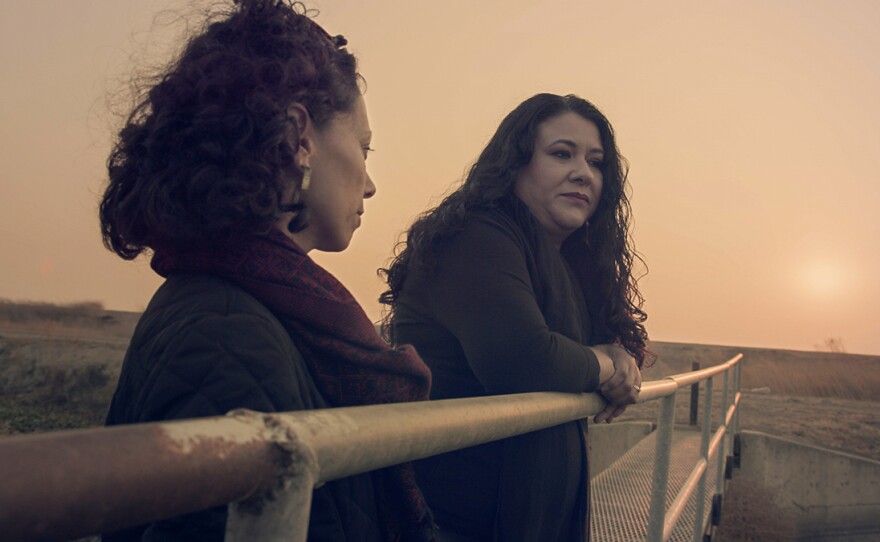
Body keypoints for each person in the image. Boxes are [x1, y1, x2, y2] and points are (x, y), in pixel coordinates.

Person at [99, 1, 436, 540]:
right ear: (301, 138)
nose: (370, 183)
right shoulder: (228, 331)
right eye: (364, 148)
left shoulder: (246, 303)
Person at [379, 93, 651, 541]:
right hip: (459, 523)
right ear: (515, 162)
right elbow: (521, 357)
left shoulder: (567, 261)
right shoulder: (476, 236)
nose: (583, 172)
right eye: (562, 153)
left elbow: (597, 351)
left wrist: (620, 356)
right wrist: (605, 362)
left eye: (596, 162)